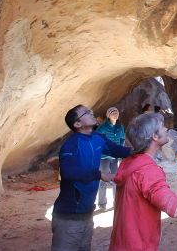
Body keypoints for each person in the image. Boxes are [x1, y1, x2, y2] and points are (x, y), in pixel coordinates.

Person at [109, 112, 177, 251]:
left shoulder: (129, 163)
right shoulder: (147, 171)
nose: (166, 129)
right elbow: (176, 208)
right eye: (162, 127)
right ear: (154, 136)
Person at [51, 105, 131, 251]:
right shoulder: (70, 145)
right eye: (87, 113)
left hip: (87, 213)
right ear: (77, 124)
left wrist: (143, 148)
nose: (92, 112)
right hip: (68, 216)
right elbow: (68, 174)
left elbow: (117, 150)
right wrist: (99, 174)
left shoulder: (98, 138)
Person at [96, 107, 125, 211]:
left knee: (116, 179)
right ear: (108, 115)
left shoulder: (120, 127)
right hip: (104, 157)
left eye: (116, 112)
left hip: (114, 156)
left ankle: (116, 202)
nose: (115, 114)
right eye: (112, 112)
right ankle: (102, 203)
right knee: (103, 179)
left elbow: (122, 139)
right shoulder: (103, 127)